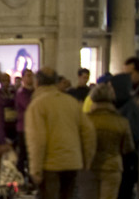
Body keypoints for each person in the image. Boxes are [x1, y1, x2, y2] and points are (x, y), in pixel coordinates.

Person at [24, 67, 95, 199]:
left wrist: (35, 169)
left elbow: (37, 140)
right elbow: (88, 131)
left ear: (37, 83)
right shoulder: (71, 102)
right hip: (72, 162)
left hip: (50, 165)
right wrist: (86, 159)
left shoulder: (37, 105)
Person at [76, 84, 132, 199]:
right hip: (112, 168)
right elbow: (128, 147)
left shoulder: (84, 120)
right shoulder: (122, 122)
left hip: (88, 167)